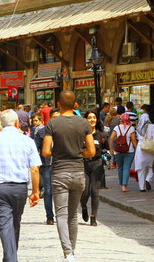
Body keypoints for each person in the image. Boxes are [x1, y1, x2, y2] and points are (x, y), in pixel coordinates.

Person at [0, 109, 41, 262]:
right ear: (17, 123)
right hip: (20, 189)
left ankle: (11, 259)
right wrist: (35, 192)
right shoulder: (27, 141)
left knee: (6, 226)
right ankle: (10, 258)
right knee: (14, 224)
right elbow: (34, 169)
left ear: (2, 124)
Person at [42, 91, 95, 262]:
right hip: (79, 172)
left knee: (62, 215)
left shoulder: (52, 123)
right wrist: (78, 153)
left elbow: (45, 151)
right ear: (75, 105)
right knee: (73, 215)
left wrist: (58, 152)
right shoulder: (84, 123)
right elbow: (91, 151)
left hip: (60, 172)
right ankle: (71, 251)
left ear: (58, 104)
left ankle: (67, 253)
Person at [80, 110, 106, 226]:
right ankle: (84, 206)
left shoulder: (101, 134)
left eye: (94, 117)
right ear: (85, 120)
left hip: (97, 164)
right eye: (89, 117)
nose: (92, 119)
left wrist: (107, 154)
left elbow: (106, 148)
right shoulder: (81, 134)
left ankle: (93, 216)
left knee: (95, 192)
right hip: (84, 164)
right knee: (85, 192)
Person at [32, 112, 56, 225]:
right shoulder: (42, 132)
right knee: (48, 190)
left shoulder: (64, 131)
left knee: (61, 191)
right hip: (46, 165)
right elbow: (36, 148)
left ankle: (62, 215)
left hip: (61, 164)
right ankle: (49, 216)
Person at [109, 112, 137, 192]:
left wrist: (111, 149)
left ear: (121, 119)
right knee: (126, 168)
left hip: (118, 151)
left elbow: (111, 138)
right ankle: (124, 186)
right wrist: (137, 149)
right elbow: (134, 140)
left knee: (120, 168)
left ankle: (121, 184)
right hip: (129, 151)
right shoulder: (131, 128)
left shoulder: (117, 128)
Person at [133, 105, 154, 192]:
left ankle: (142, 187)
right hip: (150, 148)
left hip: (141, 148)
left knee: (141, 169)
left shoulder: (138, 128)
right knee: (151, 167)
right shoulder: (152, 126)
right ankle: (148, 179)